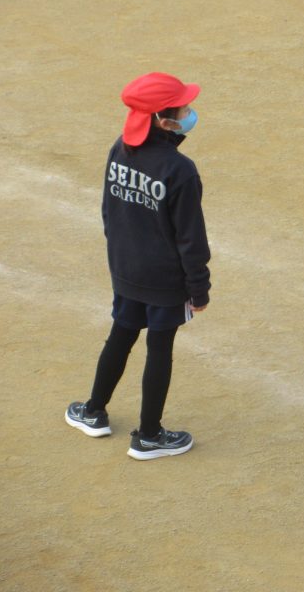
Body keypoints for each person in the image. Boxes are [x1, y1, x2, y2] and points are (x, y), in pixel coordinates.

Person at [65, 72, 211, 460]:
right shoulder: (180, 170)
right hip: (166, 281)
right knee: (159, 348)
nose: (190, 112)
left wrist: (120, 261)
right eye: (183, 108)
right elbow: (190, 238)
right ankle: (148, 436)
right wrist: (199, 288)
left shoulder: (119, 148)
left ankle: (93, 411)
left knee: (121, 334)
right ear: (164, 120)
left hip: (126, 270)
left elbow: (108, 212)